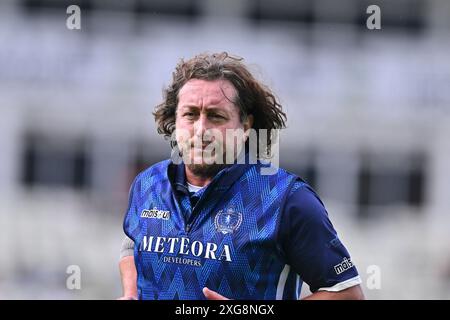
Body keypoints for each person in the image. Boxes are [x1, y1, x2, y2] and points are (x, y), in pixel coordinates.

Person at [118, 52, 364, 300]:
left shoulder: (287, 199)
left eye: (216, 116)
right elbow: (132, 242)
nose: (201, 130)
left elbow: (347, 294)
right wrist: (130, 293)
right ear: (175, 121)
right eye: (190, 114)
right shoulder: (147, 184)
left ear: (245, 126)